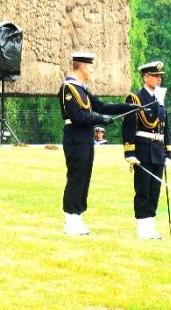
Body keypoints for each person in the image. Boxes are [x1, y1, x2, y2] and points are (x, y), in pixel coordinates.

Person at [58, 52, 137, 235]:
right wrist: (101, 119)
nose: (91, 72)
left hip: (85, 137)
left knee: (84, 177)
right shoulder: (68, 88)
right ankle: (70, 220)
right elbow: (77, 116)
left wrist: (127, 108)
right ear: (83, 67)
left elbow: (101, 106)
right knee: (76, 177)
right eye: (90, 68)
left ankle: (78, 217)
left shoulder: (82, 89)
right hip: (75, 137)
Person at [122, 61, 171, 240]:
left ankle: (150, 225)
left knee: (154, 191)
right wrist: (129, 153)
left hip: (158, 150)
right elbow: (128, 127)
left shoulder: (159, 98)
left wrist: (168, 152)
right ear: (145, 77)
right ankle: (142, 227)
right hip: (143, 150)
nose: (159, 79)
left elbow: (165, 127)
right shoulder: (135, 99)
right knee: (143, 190)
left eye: (160, 76)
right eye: (155, 76)